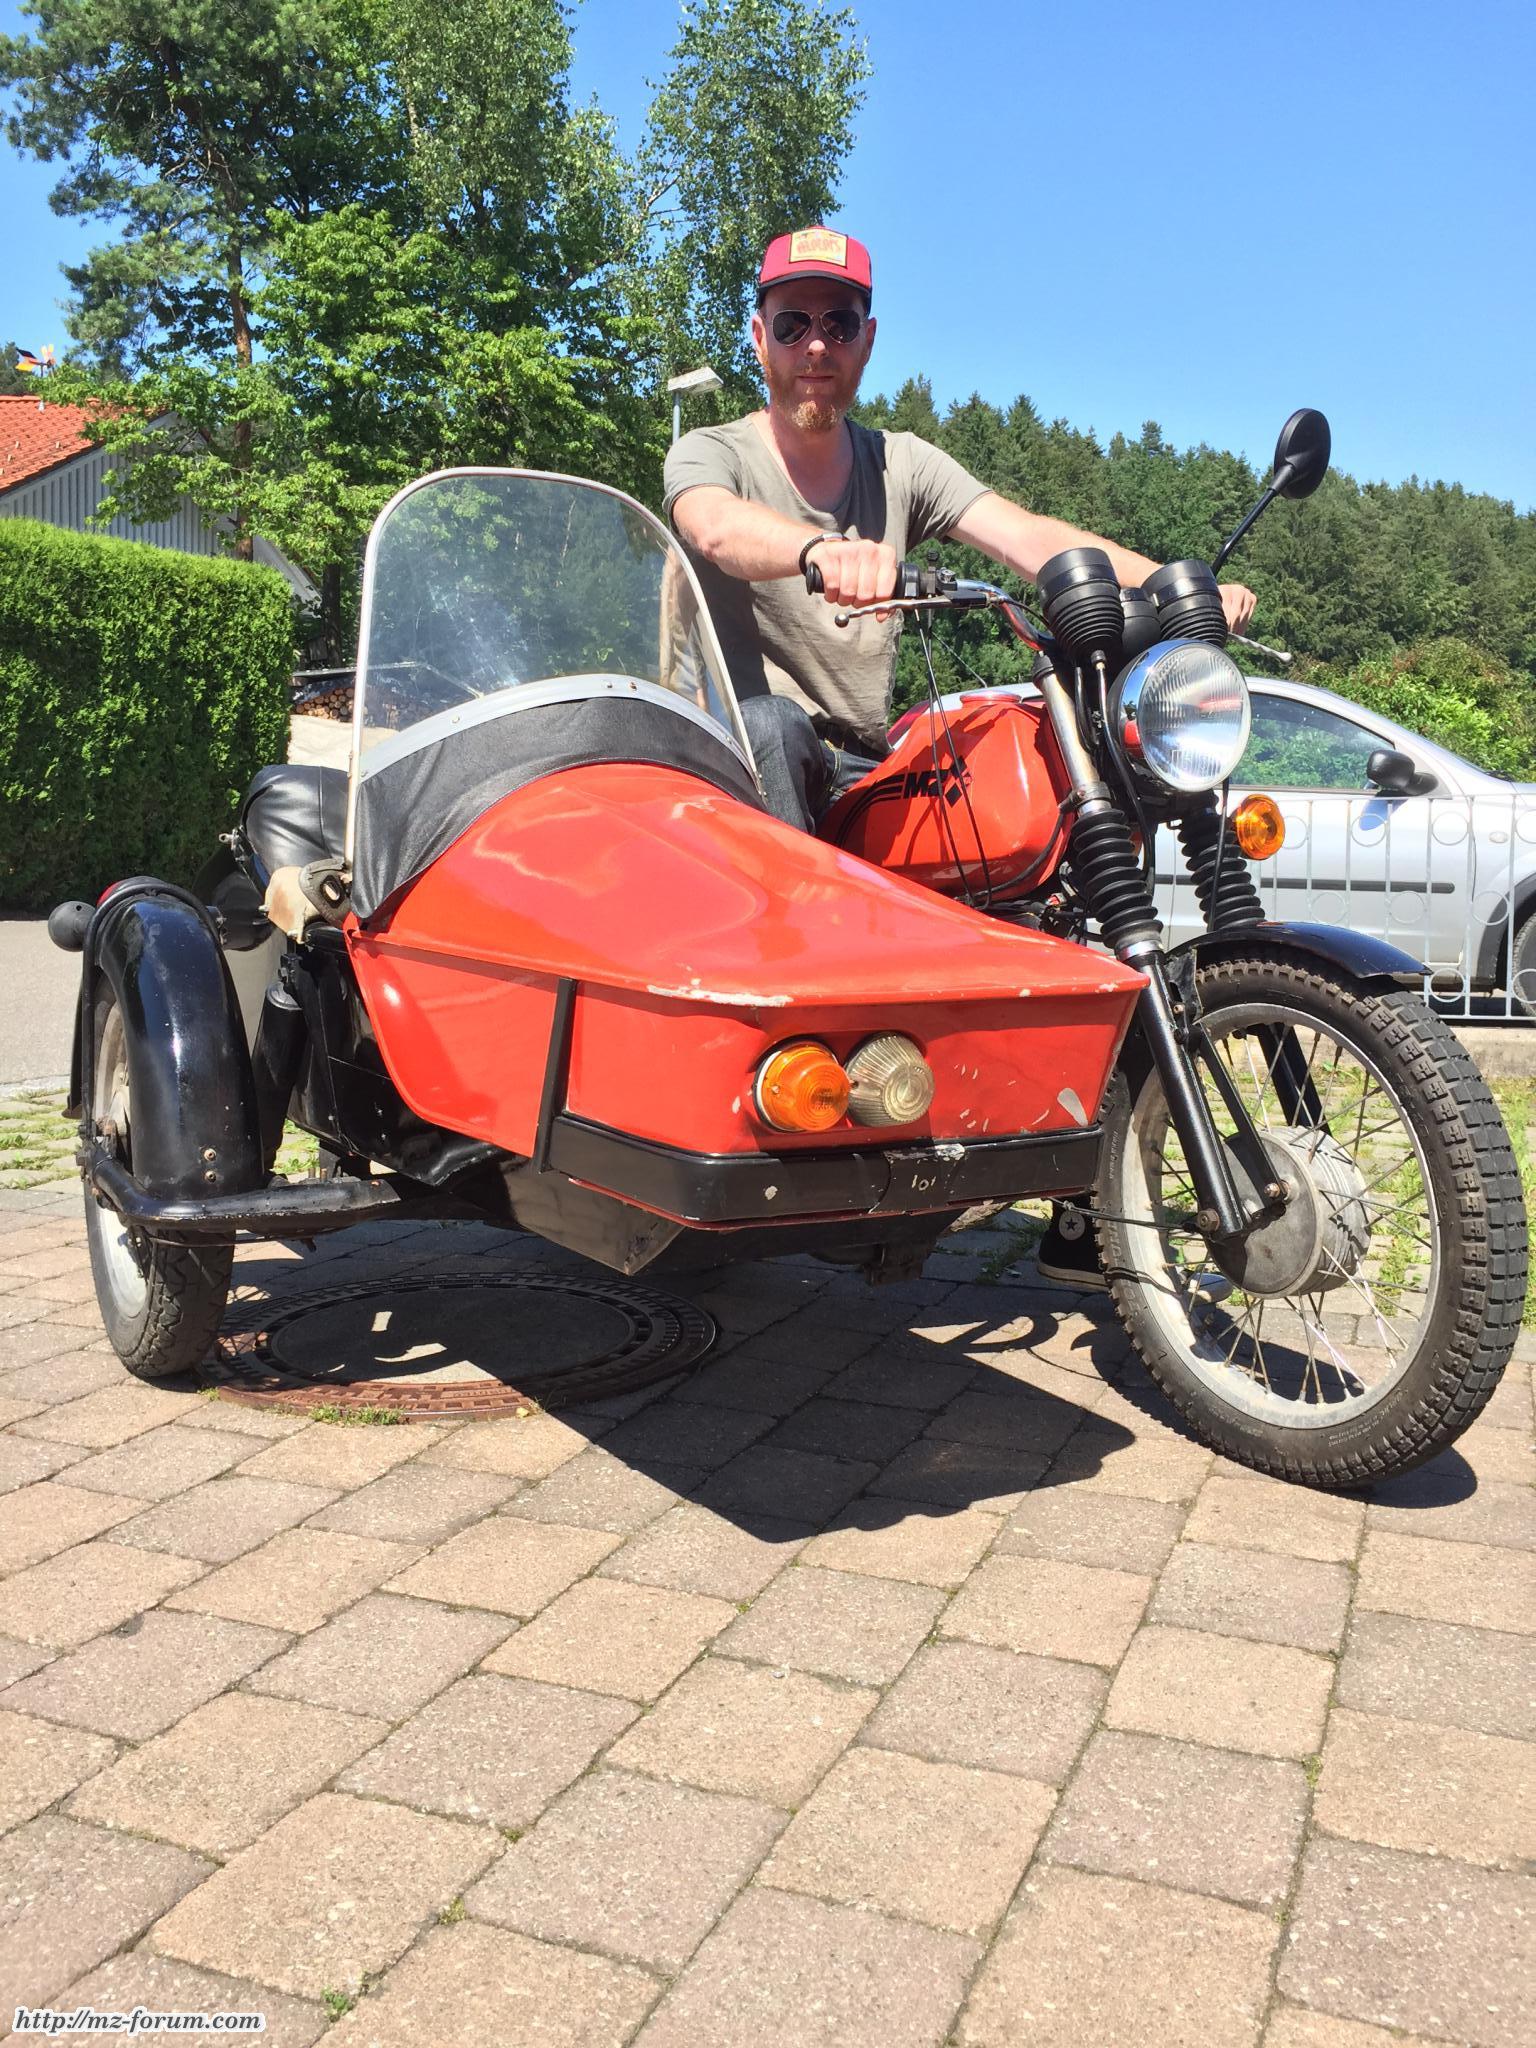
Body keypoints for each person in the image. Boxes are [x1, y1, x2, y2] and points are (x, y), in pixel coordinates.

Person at [663, 225, 1257, 1284]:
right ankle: (789, 1099)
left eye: (837, 322)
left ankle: (1079, 1184)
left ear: (867, 338)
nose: (814, 345)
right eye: (793, 323)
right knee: (776, 728)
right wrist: (815, 550)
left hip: (862, 758)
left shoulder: (901, 462)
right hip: (727, 766)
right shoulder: (713, 450)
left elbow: (1027, 535)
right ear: (759, 337)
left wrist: (1171, 586)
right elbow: (712, 528)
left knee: (1025, 825)